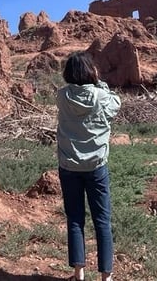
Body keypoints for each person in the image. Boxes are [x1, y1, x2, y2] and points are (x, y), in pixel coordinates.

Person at [56, 51, 120, 281]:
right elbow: (115, 103)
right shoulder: (103, 97)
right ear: (91, 71)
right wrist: (98, 82)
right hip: (96, 167)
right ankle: (106, 276)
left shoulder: (62, 96)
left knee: (74, 218)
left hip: (69, 166)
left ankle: (78, 273)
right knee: (102, 220)